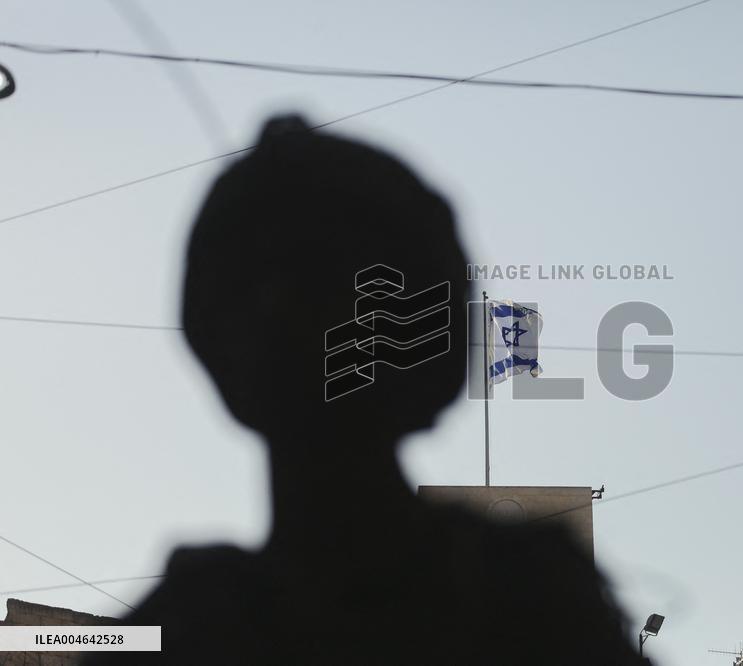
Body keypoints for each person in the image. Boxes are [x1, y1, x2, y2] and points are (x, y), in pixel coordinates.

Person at [83, 115, 643, 665]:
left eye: (319, 283)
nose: (284, 313)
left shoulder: (531, 603)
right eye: (258, 282)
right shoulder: (529, 599)